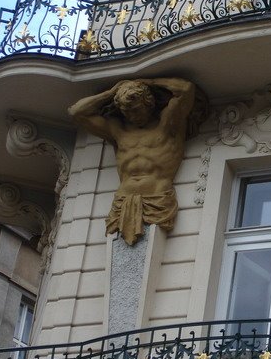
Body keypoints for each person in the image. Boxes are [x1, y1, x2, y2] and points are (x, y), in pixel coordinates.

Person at [68, 78, 199, 245]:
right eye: (126, 112)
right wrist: (111, 92)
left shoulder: (167, 124)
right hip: (122, 201)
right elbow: (76, 113)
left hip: (157, 198)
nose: (132, 116)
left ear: (148, 103)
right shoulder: (118, 130)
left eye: (136, 110)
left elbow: (186, 88)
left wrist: (149, 82)